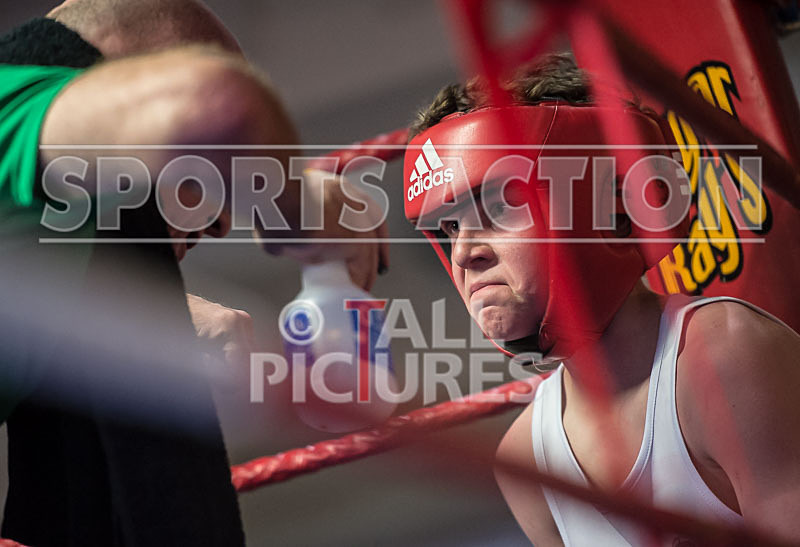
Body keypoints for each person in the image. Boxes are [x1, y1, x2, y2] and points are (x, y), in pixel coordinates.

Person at [0, 1, 386, 545]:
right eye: (207, 178)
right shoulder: (10, 99)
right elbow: (216, 104)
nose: (221, 222)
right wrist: (294, 208)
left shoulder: (38, 237)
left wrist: (148, 317)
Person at [403, 54, 800, 545]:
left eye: (501, 204)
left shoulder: (723, 358)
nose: (463, 252)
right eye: (450, 227)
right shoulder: (525, 458)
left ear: (611, 203)